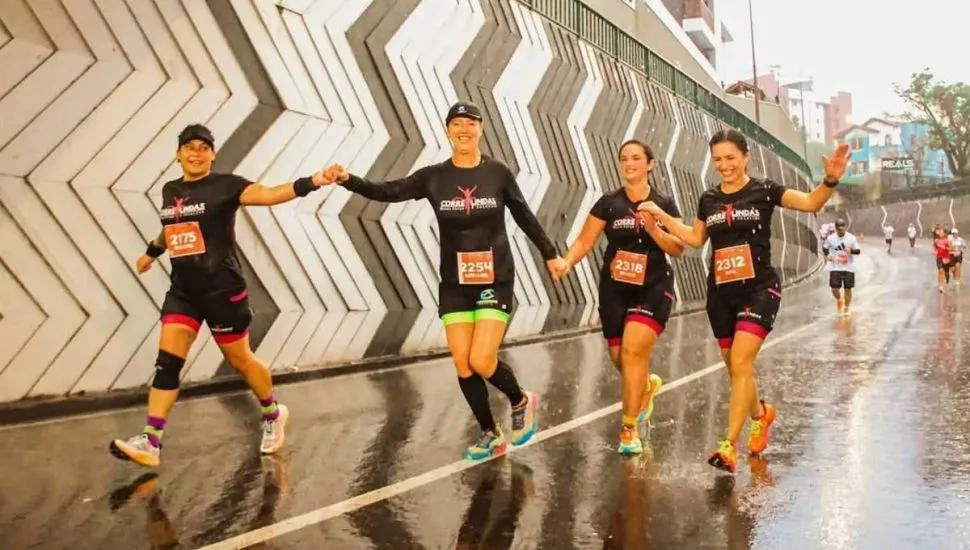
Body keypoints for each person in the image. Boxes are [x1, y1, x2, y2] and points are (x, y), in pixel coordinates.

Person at [319, 101, 566, 460]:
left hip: (494, 277)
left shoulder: (497, 173)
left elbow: (524, 214)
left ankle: (520, 400)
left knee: (482, 359)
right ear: (448, 130)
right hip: (454, 282)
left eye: (470, 123)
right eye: (457, 124)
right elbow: (387, 191)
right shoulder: (434, 177)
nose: (464, 130)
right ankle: (490, 433)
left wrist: (551, 253)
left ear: (481, 128)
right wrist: (348, 180)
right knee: (463, 363)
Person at [110, 124, 329, 467]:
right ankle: (151, 441)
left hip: (222, 290)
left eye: (204, 148)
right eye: (189, 147)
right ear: (178, 154)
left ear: (213, 154)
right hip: (183, 292)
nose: (196, 153)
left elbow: (269, 194)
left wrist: (312, 181)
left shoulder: (226, 185)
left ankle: (272, 413)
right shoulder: (170, 190)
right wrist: (151, 253)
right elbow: (172, 227)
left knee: (241, 360)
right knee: (167, 363)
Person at [639, 129, 850, 473]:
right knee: (737, 368)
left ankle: (729, 445)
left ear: (746, 157)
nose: (724, 165)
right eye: (718, 160)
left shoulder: (764, 190)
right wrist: (660, 220)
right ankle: (761, 415)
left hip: (760, 289)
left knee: (740, 361)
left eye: (730, 158)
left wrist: (829, 180)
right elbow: (695, 238)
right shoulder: (708, 199)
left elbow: (811, 203)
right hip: (721, 294)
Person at [555, 140, 684, 455]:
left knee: (633, 350)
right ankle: (645, 386)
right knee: (619, 357)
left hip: (653, 285)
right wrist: (567, 261)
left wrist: (654, 229)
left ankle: (629, 429)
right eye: (624, 158)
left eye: (636, 158)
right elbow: (585, 240)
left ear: (650, 164)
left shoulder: (663, 203)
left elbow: (678, 247)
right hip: (614, 287)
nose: (629, 163)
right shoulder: (609, 203)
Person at [825, 219, 861, 316]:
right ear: (836, 229)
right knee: (834, 289)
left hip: (848, 267)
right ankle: (839, 299)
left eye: (843, 229)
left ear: (845, 228)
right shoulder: (831, 238)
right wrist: (827, 255)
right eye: (839, 230)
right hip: (835, 267)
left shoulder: (851, 238)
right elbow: (825, 248)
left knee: (848, 289)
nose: (841, 231)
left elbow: (858, 251)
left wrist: (851, 251)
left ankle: (846, 307)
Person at [934, 226, 952, 292]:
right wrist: (935, 251)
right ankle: (941, 286)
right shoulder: (936, 240)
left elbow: (951, 248)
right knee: (940, 271)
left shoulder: (947, 240)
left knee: (946, 272)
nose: (940, 233)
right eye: (940, 232)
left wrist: (945, 248)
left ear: (944, 233)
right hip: (939, 257)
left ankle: (947, 276)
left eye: (942, 232)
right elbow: (935, 247)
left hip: (946, 258)